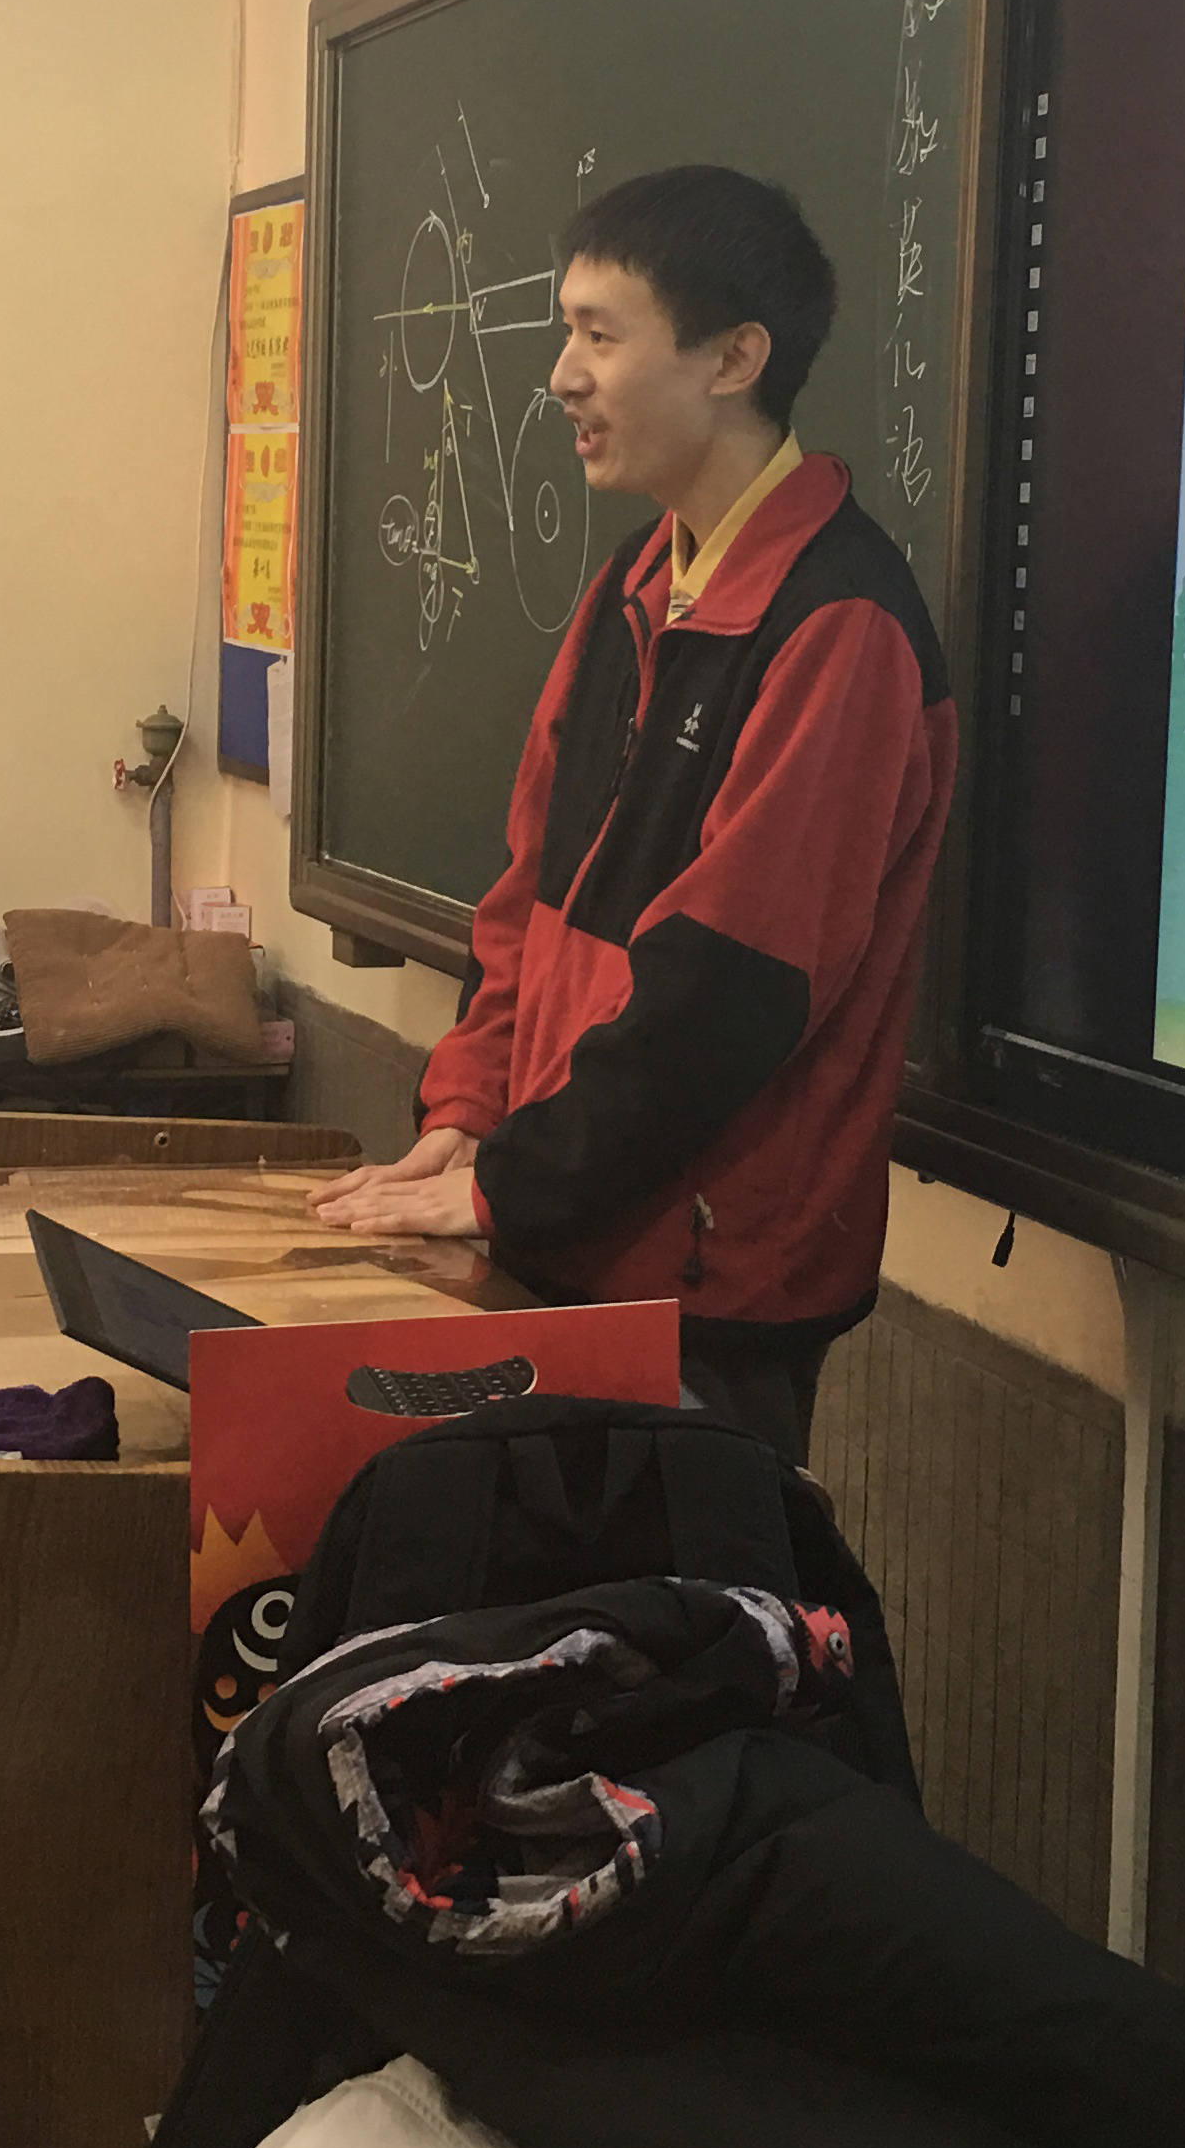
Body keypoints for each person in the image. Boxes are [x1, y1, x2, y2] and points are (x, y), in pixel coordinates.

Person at [312, 166, 956, 1465]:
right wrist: (468, 1114)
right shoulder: (636, 583)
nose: (560, 376)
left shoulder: (839, 624)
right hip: (559, 1224)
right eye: (566, 332)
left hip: (705, 1289)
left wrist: (510, 1183)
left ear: (734, 358)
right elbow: (525, 902)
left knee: (666, 1595)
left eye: (600, 336)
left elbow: (726, 997)